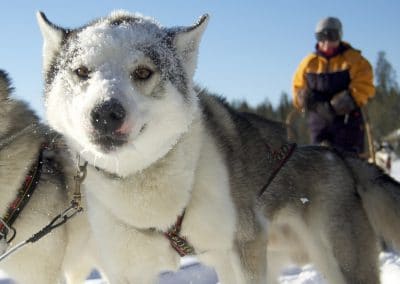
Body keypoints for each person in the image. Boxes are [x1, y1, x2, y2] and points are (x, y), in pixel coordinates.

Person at [292, 17, 375, 154]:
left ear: (339, 35)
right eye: (321, 37)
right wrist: (303, 97)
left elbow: (364, 86)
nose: (326, 43)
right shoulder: (308, 64)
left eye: (331, 36)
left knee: (350, 165)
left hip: (347, 123)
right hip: (318, 124)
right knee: (320, 165)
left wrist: (341, 103)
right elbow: (297, 88)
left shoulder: (354, 60)